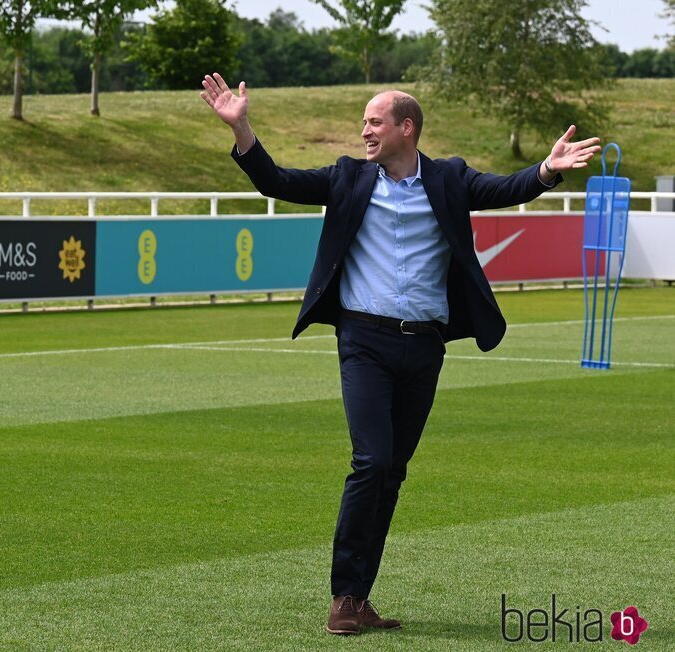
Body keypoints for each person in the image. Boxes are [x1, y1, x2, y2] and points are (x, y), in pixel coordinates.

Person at [199, 72, 601, 636]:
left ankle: (360, 598)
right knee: (371, 461)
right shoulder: (346, 177)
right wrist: (240, 125)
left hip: (426, 346)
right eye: (364, 122)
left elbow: (505, 188)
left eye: (374, 121)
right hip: (363, 341)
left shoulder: (450, 179)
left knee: (392, 472)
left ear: (405, 128)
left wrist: (547, 170)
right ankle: (343, 596)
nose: (364, 130)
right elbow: (275, 180)